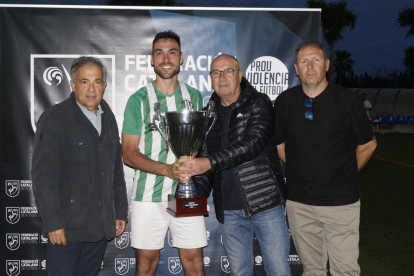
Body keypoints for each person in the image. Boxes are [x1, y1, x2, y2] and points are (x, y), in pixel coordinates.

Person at [274, 41, 377, 276]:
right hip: (300, 203)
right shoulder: (285, 102)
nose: (310, 66)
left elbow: (368, 144)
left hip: (341, 203)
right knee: (312, 270)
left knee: (345, 270)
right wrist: (303, 170)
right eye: (304, 61)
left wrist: (345, 174)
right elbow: (278, 144)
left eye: (316, 60)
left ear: (327, 65)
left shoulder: (348, 100)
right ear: (296, 69)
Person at [184, 54, 291, 276]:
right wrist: (190, 198)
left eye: (228, 71)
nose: (222, 77)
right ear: (211, 78)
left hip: (265, 204)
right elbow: (204, 164)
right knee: (239, 273)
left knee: (278, 271)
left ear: (239, 75)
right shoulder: (208, 113)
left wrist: (207, 162)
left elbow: (252, 145)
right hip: (229, 211)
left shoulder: (259, 102)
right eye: (216, 72)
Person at [32, 56, 128, 276]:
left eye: (97, 82)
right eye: (85, 82)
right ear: (73, 85)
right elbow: (43, 178)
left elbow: (116, 169)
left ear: (105, 85)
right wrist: (53, 223)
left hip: (100, 228)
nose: (91, 89)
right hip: (67, 229)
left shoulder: (109, 117)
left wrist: (120, 211)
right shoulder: (55, 119)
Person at [121, 30, 207, 276]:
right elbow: (128, 153)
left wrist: (187, 166)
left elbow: (196, 143)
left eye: (172, 52)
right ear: (151, 59)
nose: (166, 58)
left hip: (186, 191)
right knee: (146, 264)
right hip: (148, 194)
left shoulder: (194, 96)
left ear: (182, 58)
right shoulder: (138, 99)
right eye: (159, 53)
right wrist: (168, 170)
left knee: (194, 263)